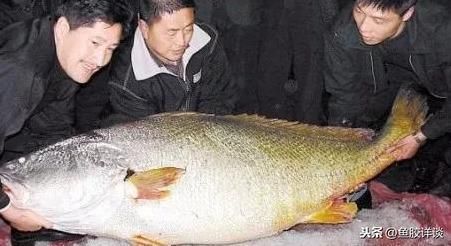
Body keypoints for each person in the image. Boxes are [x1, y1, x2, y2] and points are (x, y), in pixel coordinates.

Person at [0, 0, 133, 245]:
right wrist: (10, 210)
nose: (101, 59)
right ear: (63, 29)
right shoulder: (21, 71)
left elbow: (51, 128)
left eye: (111, 48)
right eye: (95, 43)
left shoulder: (67, 57)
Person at [324, 0, 451, 199]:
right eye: (360, 11)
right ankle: (398, 183)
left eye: (378, 20)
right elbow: (345, 92)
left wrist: (421, 136)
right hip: (393, 79)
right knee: (364, 126)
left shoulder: (443, 29)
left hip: (441, 79)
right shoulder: (344, 29)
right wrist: (340, 140)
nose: (364, 27)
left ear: (407, 13)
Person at [104, 0, 237, 124]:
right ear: (144, 28)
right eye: (171, 33)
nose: (182, 42)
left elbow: (220, 98)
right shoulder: (125, 82)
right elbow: (146, 134)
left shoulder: (207, 40)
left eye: (188, 29)